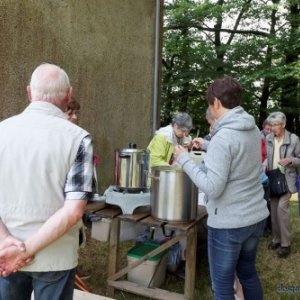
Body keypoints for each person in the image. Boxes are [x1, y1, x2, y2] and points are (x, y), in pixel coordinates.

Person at [0, 63, 96, 300]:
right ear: (69, 94)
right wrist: (26, 251)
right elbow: (74, 211)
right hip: (56, 258)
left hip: (5, 254)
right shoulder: (79, 139)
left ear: (30, 92)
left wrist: (7, 244)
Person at [174, 76, 269, 300]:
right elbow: (238, 156)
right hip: (255, 217)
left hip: (229, 223)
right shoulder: (252, 128)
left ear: (216, 102)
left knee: (223, 286)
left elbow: (213, 188)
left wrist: (185, 159)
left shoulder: (223, 136)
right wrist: (207, 145)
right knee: (247, 274)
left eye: (209, 104)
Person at [264, 112, 300, 257]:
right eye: (271, 125)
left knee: (281, 209)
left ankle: (286, 244)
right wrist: (265, 164)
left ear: (283, 124)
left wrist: (290, 160)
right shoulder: (268, 138)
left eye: (275, 125)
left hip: (287, 179)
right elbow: (268, 156)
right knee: (273, 210)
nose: (272, 128)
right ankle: (276, 239)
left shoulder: (293, 139)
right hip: (273, 178)